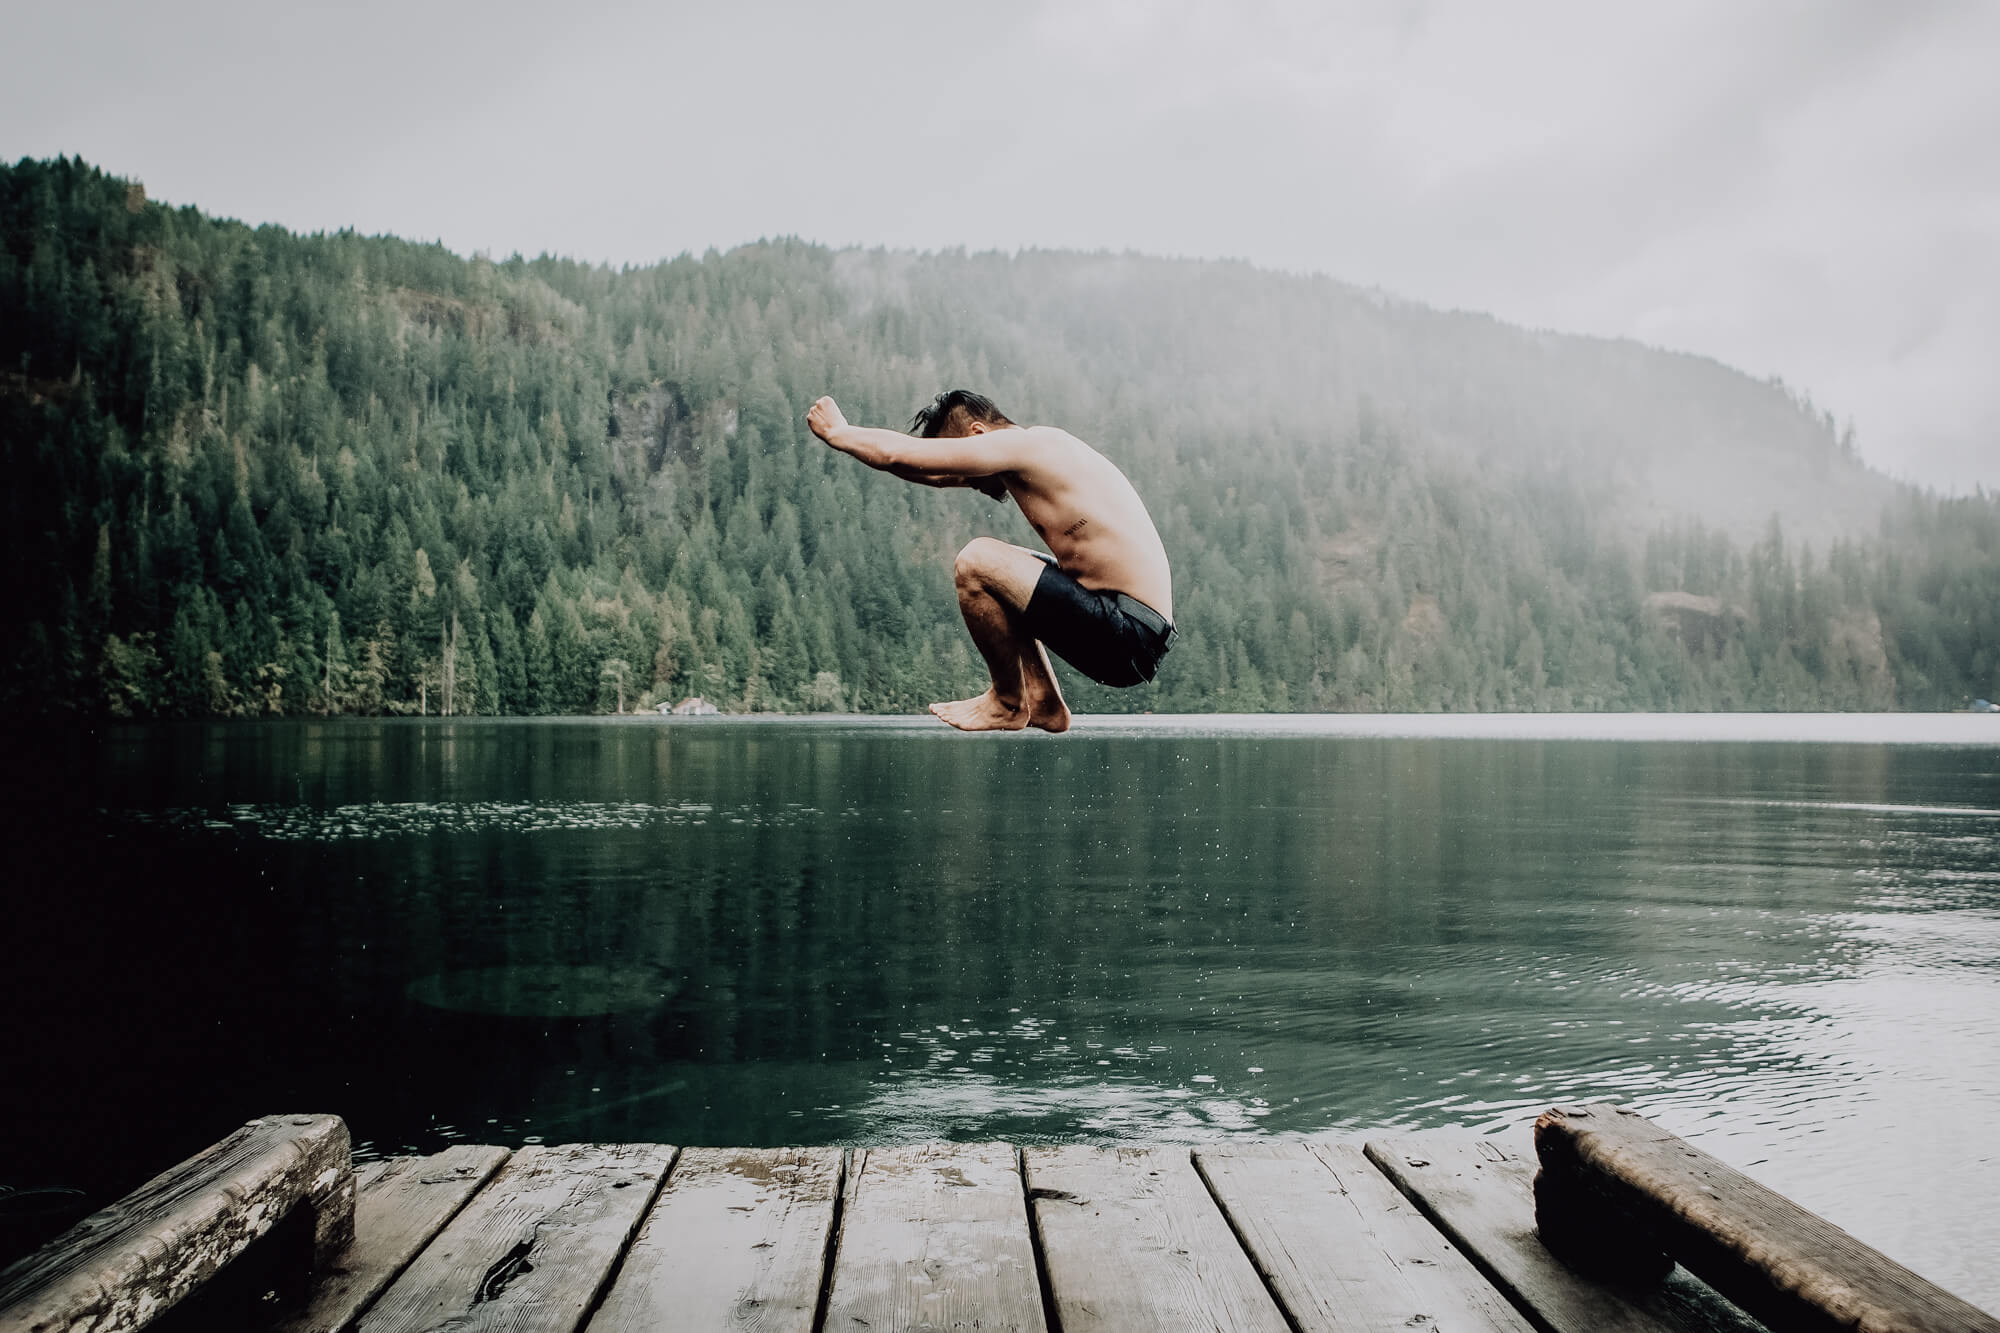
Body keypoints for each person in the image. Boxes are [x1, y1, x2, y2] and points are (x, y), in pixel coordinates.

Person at [806, 389, 1175, 732]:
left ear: (978, 433)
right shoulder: (1040, 450)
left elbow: (897, 454)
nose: (969, 482)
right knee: (1007, 573)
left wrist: (840, 433)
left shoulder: (1020, 446)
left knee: (976, 562)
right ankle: (1042, 699)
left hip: (1129, 632)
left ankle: (1008, 700)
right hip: (1132, 628)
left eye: (967, 468)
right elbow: (931, 473)